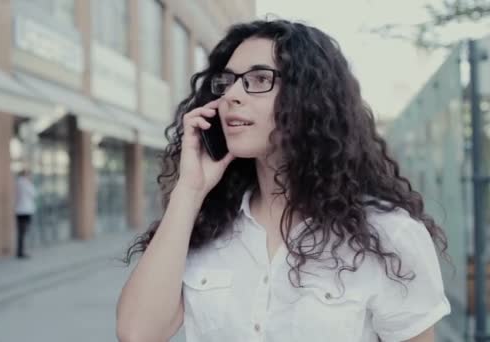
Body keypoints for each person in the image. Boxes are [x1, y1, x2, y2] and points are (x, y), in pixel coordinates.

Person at [116, 19, 450, 342]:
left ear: (310, 99)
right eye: (227, 81)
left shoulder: (387, 233)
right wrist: (189, 191)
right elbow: (138, 333)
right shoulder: (207, 224)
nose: (231, 95)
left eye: (259, 79)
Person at [14, 169, 37, 259]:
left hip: (19, 210)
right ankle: (21, 252)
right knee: (23, 232)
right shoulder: (26, 183)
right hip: (26, 211)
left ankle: (20, 251)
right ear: (26, 175)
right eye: (29, 175)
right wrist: (30, 182)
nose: (31, 177)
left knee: (21, 232)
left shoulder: (17, 183)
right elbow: (34, 194)